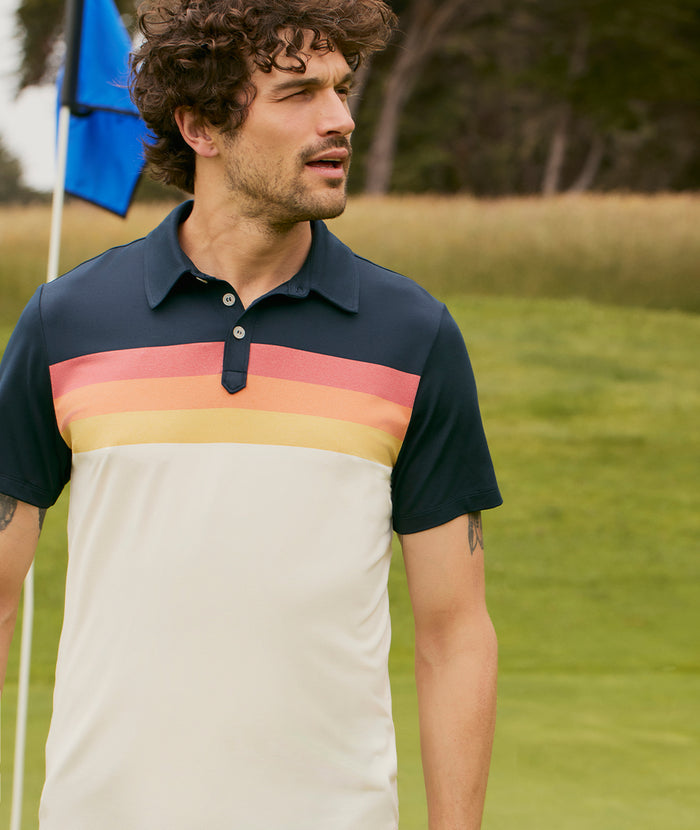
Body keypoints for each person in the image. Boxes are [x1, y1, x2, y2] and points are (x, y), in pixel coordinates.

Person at [0, 1, 502, 827]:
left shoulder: (413, 335)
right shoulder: (67, 321)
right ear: (200, 126)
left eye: (342, 89)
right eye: (299, 93)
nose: (340, 120)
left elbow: (456, 636)